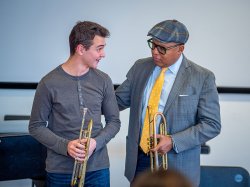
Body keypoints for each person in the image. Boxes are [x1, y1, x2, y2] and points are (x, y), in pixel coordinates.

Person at [115, 19, 221, 187]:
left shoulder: (202, 77)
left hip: (177, 165)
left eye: (162, 48)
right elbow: (118, 101)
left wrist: (173, 141)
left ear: (180, 49)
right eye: (153, 45)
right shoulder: (140, 67)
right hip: (139, 158)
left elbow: (212, 124)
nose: (155, 52)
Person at [29, 21, 121, 187]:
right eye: (99, 48)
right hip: (60, 171)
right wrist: (66, 146)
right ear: (81, 49)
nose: (103, 54)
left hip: (97, 169)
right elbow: (36, 126)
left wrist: (95, 142)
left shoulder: (104, 80)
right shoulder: (48, 82)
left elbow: (114, 121)